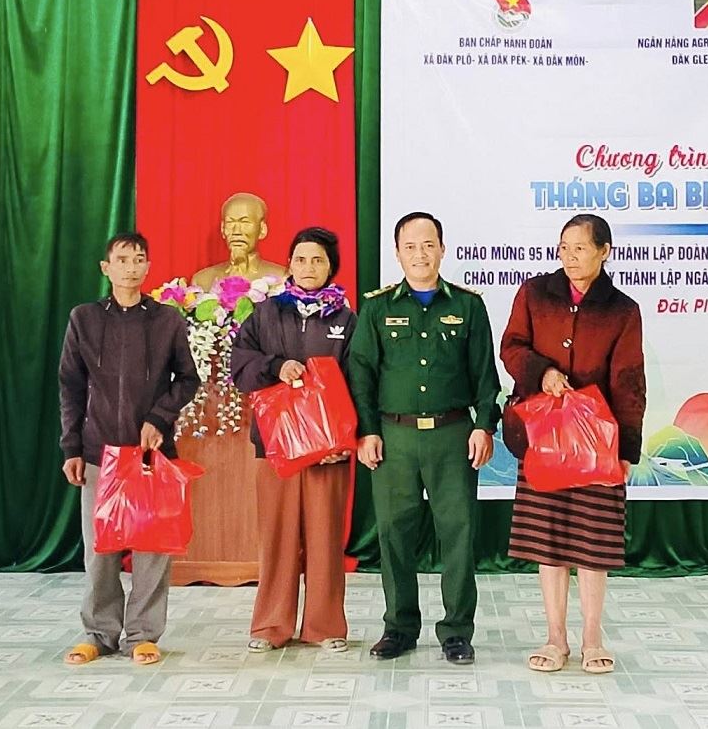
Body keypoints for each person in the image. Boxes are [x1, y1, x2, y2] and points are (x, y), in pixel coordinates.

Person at [348, 212, 501, 665]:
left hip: (453, 436)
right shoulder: (377, 308)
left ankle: (456, 631)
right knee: (394, 533)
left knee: (459, 533)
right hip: (394, 437)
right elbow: (361, 375)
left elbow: (485, 375)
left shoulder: (468, 306)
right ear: (397, 253)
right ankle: (399, 627)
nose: (420, 254)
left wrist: (484, 425)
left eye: (428, 244)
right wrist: (367, 431)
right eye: (410, 247)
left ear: (442, 249)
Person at [499, 214, 645, 675]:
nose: (570, 256)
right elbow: (511, 347)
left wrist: (627, 450)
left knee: (593, 545)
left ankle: (592, 638)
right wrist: (542, 372)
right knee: (549, 543)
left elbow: (629, 381)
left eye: (580, 248)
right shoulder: (534, 293)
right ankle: (555, 637)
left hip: (597, 443)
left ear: (604, 251)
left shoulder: (622, 310)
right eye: (564, 247)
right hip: (543, 438)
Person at [58, 232, 200, 665]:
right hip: (99, 454)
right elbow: (70, 385)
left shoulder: (167, 320)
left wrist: (159, 418)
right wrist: (71, 447)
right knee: (100, 549)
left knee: (151, 550)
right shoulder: (84, 319)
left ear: (148, 267)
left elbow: (187, 379)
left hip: (152, 456)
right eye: (122, 260)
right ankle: (99, 633)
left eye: (139, 259)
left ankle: (143, 634)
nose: (131, 267)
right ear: (107, 268)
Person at [231, 226, 356, 654]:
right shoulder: (265, 314)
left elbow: (360, 381)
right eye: (300, 259)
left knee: (325, 539)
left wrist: (344, 441)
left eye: (318, 260)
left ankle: (325, 626)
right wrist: (276, 366)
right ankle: (271, 625)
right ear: (289, 264)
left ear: (331, 267)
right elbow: (239, 364)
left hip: (328, 451)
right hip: (277, 448)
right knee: (278, 537)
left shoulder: (346, 320)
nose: (308, 267)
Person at [192, 192, 287, 289]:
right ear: (223, 229)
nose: (236, 231)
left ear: (262, 229)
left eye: (245, 222)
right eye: (230, 222)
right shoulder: (202, 281)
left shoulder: (282, 278)